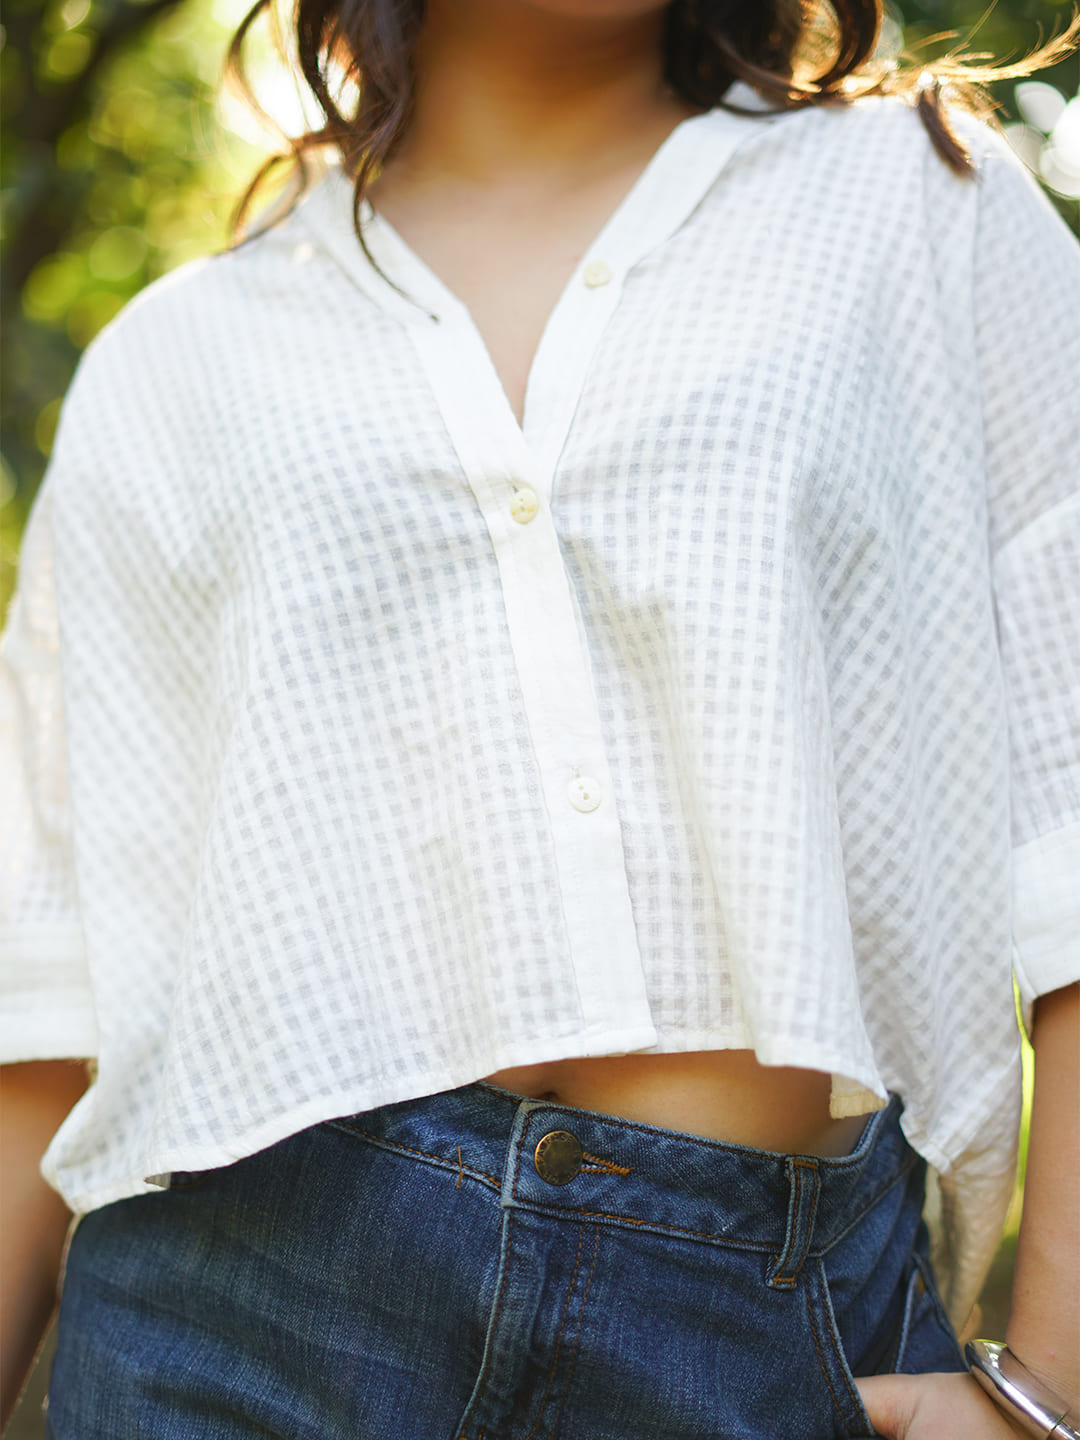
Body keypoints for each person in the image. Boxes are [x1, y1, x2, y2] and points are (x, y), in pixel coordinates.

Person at [1, 0, 1078, 1433]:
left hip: (762, 1339)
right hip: (235, 1319)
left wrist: (1047, 1385)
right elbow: (47, 979)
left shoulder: (922, 210)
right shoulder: (175, 358)